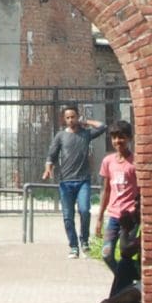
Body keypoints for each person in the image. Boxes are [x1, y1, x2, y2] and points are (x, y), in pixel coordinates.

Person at [41, 105, 105, 258]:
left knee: (84, 210)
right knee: (68, 216)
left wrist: (86, 121)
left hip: (83, 181)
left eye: (73, 117)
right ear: (64, 119)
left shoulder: (86, 134)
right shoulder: (60, 136)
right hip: (66, 182)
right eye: (68, 117)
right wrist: (48, 169)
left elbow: (103, 126)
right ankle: (74, 246)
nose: (70, 120)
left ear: (77, 117)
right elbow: (51, 155)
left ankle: (84, 241)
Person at [96, 126, 139, 269]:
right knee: (106, 255)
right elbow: (107, 190)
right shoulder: (108, 161)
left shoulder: (135, 162)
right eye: (114, 138)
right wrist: (100, 218)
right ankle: (122, 282)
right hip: (114, 216)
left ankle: (131, 281)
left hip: (130, 217)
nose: (117, 141)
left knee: (126, 252)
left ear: (129, 139)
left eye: (121, 137)